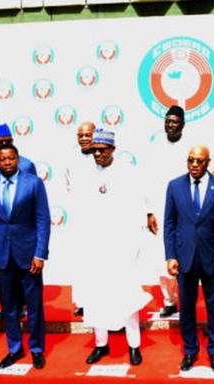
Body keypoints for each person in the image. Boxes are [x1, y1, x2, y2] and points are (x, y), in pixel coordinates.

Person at [77, 130, 152, 366]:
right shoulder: (85, 175)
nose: (98, 154)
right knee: (96, 297)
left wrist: (132, 247)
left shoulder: (126, 174)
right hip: (95, 248)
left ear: (113, 150)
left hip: (121, 247)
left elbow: (138, 211)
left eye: (103, 149)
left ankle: (134, 345)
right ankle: (101, 344)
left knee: (126, 297)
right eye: (95, 150)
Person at [0, 144, 50, 369]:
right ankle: (15, 348)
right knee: (9, 306)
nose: (7, 162)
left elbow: (42, 220)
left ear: (18, 159)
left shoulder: (34, 183)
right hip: (1, 255)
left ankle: (37, 348)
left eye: (11, 158)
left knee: (34, 305)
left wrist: (40, 253)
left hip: (29, 254)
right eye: (2, 159)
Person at [165, 145, 214, 373]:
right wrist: (171, 255)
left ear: (208, 162)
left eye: (199, 161)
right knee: (187, 308)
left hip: (212, 257)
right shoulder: (174, 186)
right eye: (191, 160)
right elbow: (170, 224)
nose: (194, 165)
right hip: (185, 257)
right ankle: (190, 351)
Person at [0, 124, 38, 319]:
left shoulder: (26, 164)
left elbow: (34, 196)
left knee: (23, 271)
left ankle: (23, 305)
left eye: (7, 141)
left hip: (21, 229)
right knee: (0, 270)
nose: (3, 144)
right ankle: (7, 305)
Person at [146, 106, 189, 318]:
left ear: (183, 124)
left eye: (175, 121)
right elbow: (146, 181)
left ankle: (187, 300)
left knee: (186, 257)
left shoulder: (191, 147)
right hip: (161, 209)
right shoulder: (154, 147)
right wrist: (149, 212)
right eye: (167, 121)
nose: (170, 125)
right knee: (161, 257)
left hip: (186, 210)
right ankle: (169, 300)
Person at [65, 122, 96, 317]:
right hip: (80, 218)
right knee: (81, 261)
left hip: (101, 218)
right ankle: (84, 301)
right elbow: (68, 185)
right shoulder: (71, 159)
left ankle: (101, 297)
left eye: (88, 135)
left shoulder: (102, 156)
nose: (84, 138)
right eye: (81, 135)